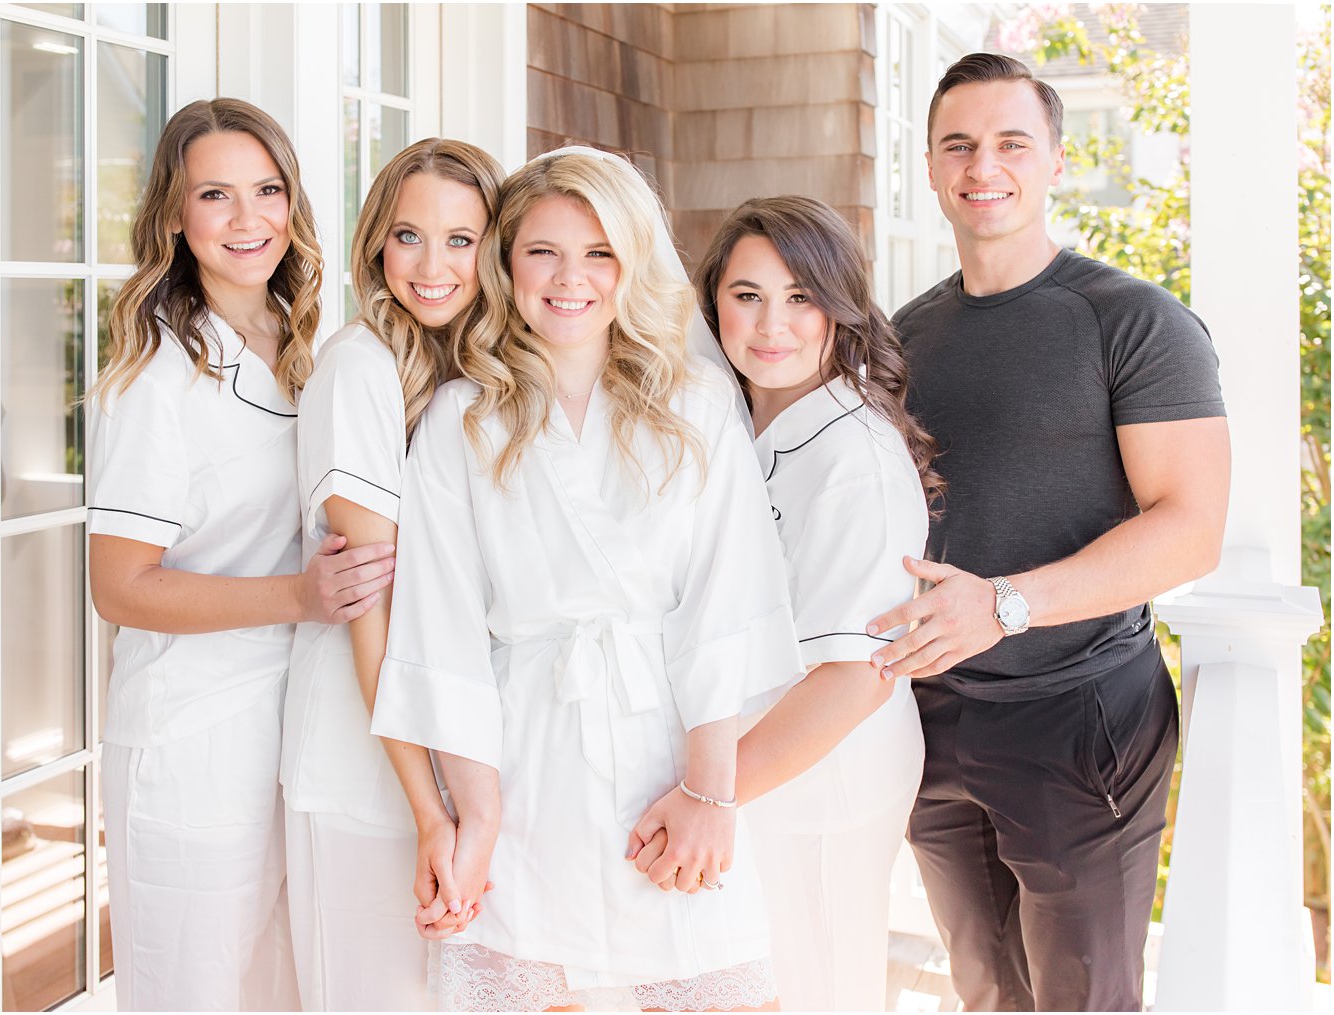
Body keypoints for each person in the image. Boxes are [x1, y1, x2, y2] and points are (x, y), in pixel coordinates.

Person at [369, 149, 805, 1012]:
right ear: (507, 263)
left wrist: (709, 792)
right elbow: (441, 631)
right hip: (524, 767)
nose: (570, 279)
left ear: (631, 262)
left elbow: (729, 603)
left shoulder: (697, 402)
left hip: (669, 764)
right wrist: (472, 822)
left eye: (598, 252)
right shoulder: (462, 418)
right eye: (543, 252)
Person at [864, 54, 1230, 1011]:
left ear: (1057, 160)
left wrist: (1008, 603)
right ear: (934, 168)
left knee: (1083, 997)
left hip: (1081, 718)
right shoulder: (907, 337)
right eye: (960, 145)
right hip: (933, 718)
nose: (985, 165)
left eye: (1011, 142)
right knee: (985, 988)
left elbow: (1191, 530)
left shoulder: (1134, 322)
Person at [86, 98, 371, 1011]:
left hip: (288, 727)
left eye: (268, 190)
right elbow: (120, 587)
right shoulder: (153, 375)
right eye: (216, 194)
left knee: (277, 989)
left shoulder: (304, 347)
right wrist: (300, 595)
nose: (250, 220)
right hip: (190, 738)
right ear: (175, 215)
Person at [639, 195, 934, 1012]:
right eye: (747, 295)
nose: (773, 324)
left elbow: (857, 676)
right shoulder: (747, 426)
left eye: (801, 297)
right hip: (757, 775)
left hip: (819, 779)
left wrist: (710, 796)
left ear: (839, 309)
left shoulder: (853, 455)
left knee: (818, 990)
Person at [280, 137, 504, 1010]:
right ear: (377, 242)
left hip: (445, 749)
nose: (433, 264)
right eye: (409, 235)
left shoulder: (470, 378)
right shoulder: (360, 368)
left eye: (461, 238)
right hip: (364, 755)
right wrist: (430, 808)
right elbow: (365, 605)